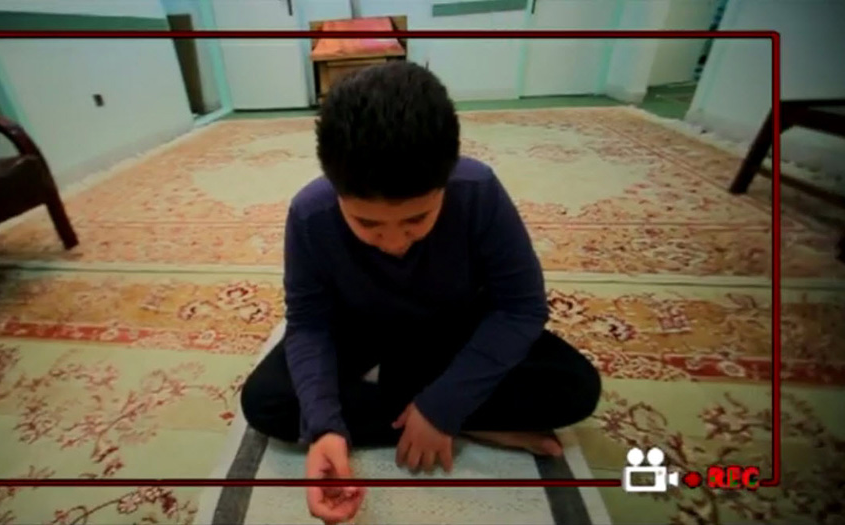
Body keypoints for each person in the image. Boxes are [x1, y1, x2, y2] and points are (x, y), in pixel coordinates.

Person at [240, 61, 602, 524]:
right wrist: (326, 430)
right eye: (367, 224)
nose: (394, 242)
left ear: (445, 181)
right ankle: (478, 423)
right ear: (336, 189)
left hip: (452, 326)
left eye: (416, 220)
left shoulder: (479, 192)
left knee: (576, 387)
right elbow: (309, 324)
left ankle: (434, 411)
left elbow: (520, 308)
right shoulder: (310, 214)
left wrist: (443, 406)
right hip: (361, 329)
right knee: (266, 403)